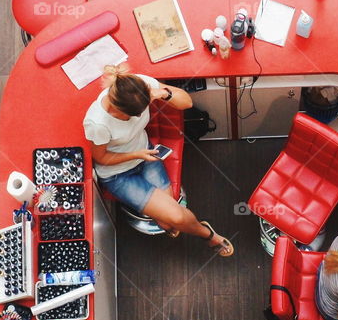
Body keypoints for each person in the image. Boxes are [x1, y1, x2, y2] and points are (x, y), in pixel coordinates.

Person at [83, 64, 233, 257]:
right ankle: (208, 234)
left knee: (171, 220)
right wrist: (137, 155)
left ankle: (181, 223)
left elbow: (186, 103)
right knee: (175, 217)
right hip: (117, 174)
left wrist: (162, 93)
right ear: (119, 110)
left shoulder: (139, 85)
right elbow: (101, 158)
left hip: (145, 154)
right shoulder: (97, 123)